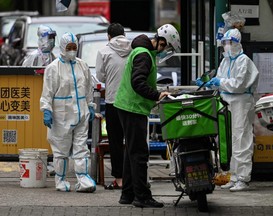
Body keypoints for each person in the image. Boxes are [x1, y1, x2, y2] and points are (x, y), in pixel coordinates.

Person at [114, 24, 181, 208]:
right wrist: (157, 95)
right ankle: (142, 197)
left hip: (127, 106)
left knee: (131, 152)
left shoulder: (143, 51)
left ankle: (127, 194)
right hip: (133, 107)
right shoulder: (144, 54)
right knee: (139, 154)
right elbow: (138, 82)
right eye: (166, 47)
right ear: (160, 41)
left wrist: (156, 93)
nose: (164, 51)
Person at [196, 28, 259, 192]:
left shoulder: (243, 61)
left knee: (241, 139)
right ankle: (233, 176)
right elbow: (221, 80)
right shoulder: (225, 61)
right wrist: (209, 82)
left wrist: (219, 82)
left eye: (229, 42)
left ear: (237, 43)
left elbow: (238, 85)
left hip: (241, 102)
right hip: (227, 102)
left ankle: (243, 178)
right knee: (230, 140)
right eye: (224, 43)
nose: (226, 46)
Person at [40, 32, 96, 192]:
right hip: (61, 115)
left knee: (81, 147)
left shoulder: (82, 65)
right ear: (63, 48)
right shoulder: (53, 68)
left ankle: (83, 179)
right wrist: (46, 110)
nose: (72, 50)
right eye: (69, 47)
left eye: (74, 47)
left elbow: (88, 87)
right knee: (61, 150)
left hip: (81, 114)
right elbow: (47, 92)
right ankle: (60, 180)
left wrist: (90, 105)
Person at [96, 23, 131, 190]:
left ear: (108, 36)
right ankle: (133, 177)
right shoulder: (134, 48)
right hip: (131, 102)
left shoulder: (103, 51)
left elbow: (100, 76)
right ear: (123, 34)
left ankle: (119, 179)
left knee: (115, 142)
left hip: (112, 101)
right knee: (131, 140)